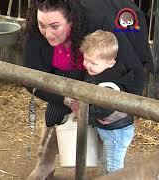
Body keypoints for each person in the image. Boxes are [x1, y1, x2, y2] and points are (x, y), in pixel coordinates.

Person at [23, 0, 150, 179]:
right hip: (66, 71)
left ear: (71, 21)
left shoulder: (100, 24)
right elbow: (29, 78)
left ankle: (107, 167)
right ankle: (45, 162)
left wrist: (122, 106)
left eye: (55, 26)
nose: (48, 33)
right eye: (42, 25)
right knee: (55, 114)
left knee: (105, 125)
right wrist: (65, 99)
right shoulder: (36, 32)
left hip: (99, 72)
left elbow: (134, 69)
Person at [78, 30, 136, 173]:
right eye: (85, 59)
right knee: (106, 163)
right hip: (108, 128)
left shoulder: (109, 83)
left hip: (117, 131)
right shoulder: (97, 72)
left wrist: (84, 111)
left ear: (110, 63)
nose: (87, 65)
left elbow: (105, 109)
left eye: (93, 62)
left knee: (115, 167)